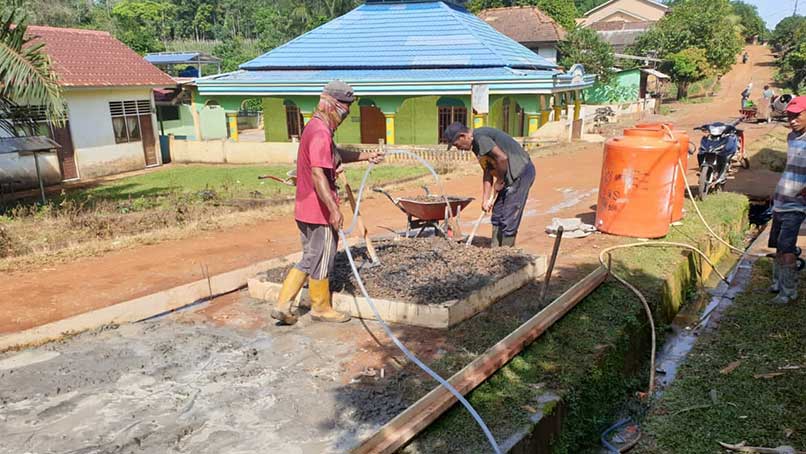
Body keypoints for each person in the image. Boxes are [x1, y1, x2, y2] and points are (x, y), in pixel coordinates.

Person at [271, 80, 384, 325]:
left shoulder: (316, 127)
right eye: (345, 107)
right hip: (318, 210)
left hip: (305, 207)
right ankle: (320, 307)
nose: (347, 113)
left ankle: (283, 304)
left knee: (311, 255)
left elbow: (334, 154)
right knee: (320, 257)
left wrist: (366, 155)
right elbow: (317, 173)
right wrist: (333, 210)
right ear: (331, 104)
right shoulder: (321, 132)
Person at [443, 122, 535, 247]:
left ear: (462, 136)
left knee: (509, 216)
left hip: (520, 173)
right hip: (506, 177)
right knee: (497, 214)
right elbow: (488, 170)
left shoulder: (480, 138)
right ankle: (496, 248)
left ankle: (506, 254)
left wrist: (500, 181)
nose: (458, 148)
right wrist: (485, 199)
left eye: (456, 145)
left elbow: (502, 158)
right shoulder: (475, 145)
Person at [768, 95, 806, 304]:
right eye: (789, 116)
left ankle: (789, 291)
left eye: (797, 115)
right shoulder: (791, 137)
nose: (792, 120)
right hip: (781, 199)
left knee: (787, 247)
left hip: (796, 205)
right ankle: (778, 282)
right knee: (777, 245)